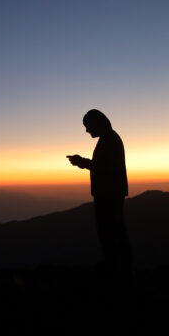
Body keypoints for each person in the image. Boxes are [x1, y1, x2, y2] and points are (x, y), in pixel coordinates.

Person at [67, 109, 132, 281]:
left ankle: (116, 270)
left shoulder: (109, 140)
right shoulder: (109, 139)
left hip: (108, 194)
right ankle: (118, 267)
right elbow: (103, 165)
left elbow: (104, 168)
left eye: (88, 126)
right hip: (111, 193)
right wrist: (83, 162)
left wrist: (81, 162)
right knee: (114, 231)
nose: (87, 130)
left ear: (98, 123)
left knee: (110, 231)